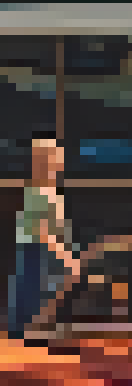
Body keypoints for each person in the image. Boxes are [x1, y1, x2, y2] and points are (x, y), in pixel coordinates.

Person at [10, 138, 76, 338]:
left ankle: (28, 335)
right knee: (33, 299)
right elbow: (43, 231)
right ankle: (25, 337)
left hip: (41, 250)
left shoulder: (47, 192)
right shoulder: (41, 193)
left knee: (36, 299)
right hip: (37, 251)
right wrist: (66, 256)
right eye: (50, 159)